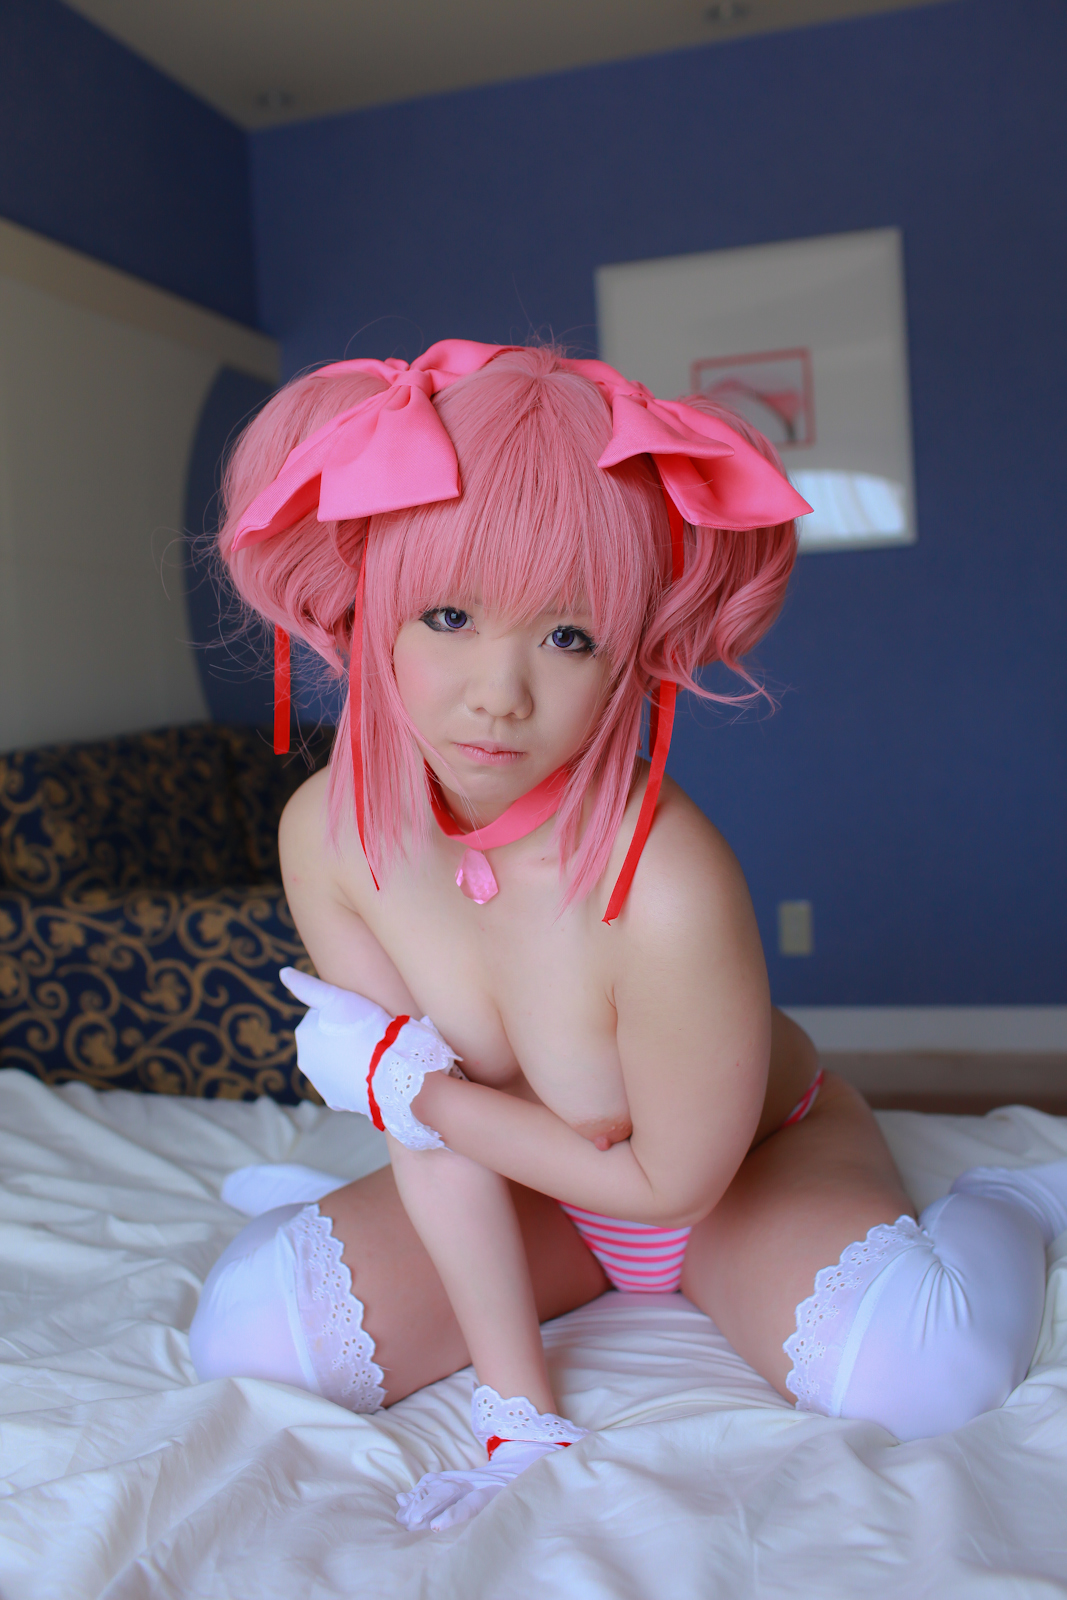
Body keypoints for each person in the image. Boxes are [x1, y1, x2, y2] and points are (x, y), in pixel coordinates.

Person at [189, 342, 1062, 1533]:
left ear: (629, 655)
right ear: (371, 602)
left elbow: (657, 1182)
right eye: (448, 615)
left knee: (928, 1373)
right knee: (248, 1333)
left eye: (568, 636)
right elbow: (425, 1140)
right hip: (534, 1193)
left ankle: (1007, 1200)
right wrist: (514, 1410)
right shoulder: (329, 836)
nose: (498, 693)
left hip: (737, 1178)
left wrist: (415, 1092)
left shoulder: (667, 879)